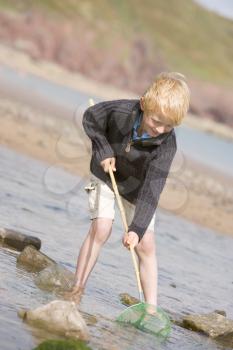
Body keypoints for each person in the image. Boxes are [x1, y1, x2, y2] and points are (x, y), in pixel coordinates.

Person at [65, 72, 190, 307]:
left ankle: (150, 309)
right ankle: (77, 288)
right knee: (101, 228)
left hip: (138, 189)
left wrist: (136, 229)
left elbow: (153, 189)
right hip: (106, 173)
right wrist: (103, 150)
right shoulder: (121, 111)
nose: (160, 129)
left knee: (145, 243)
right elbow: (91, 117)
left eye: (168, 125)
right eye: (156, 121)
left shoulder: (166, 145)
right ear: (144, 104)